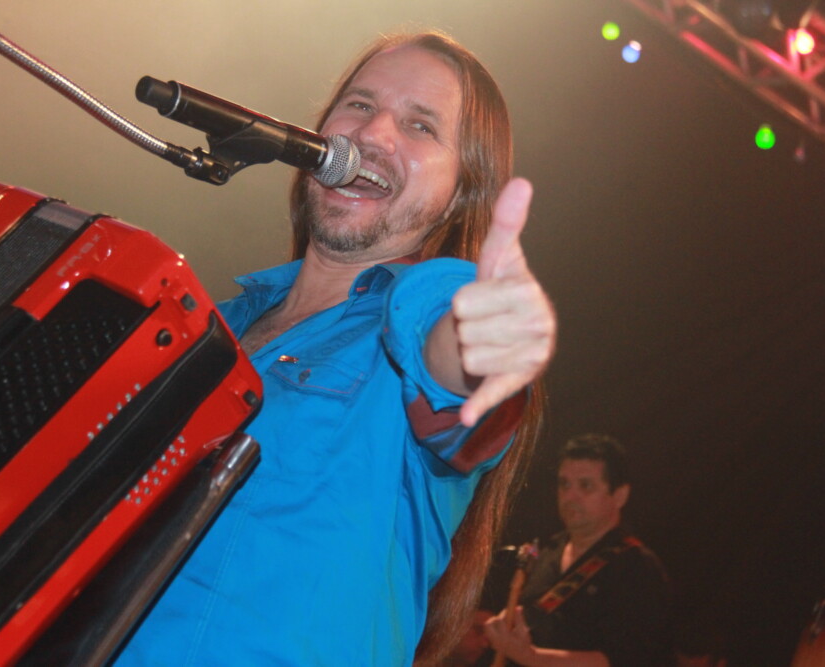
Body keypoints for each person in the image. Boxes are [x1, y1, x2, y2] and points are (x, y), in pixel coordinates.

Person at [115, 31, 555, 666]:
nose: (372, 133)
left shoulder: (429, 322)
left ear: (463, 192)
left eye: (421, 126)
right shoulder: (204, 322)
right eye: (359, 105)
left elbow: (460, 363)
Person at [483, 434, 672, 666]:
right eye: (564, 484)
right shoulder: (546, 552)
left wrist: (530, 657)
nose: (570, 496)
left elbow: (625, 660)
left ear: (619, 495)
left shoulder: (638, 568)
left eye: (586, 486)